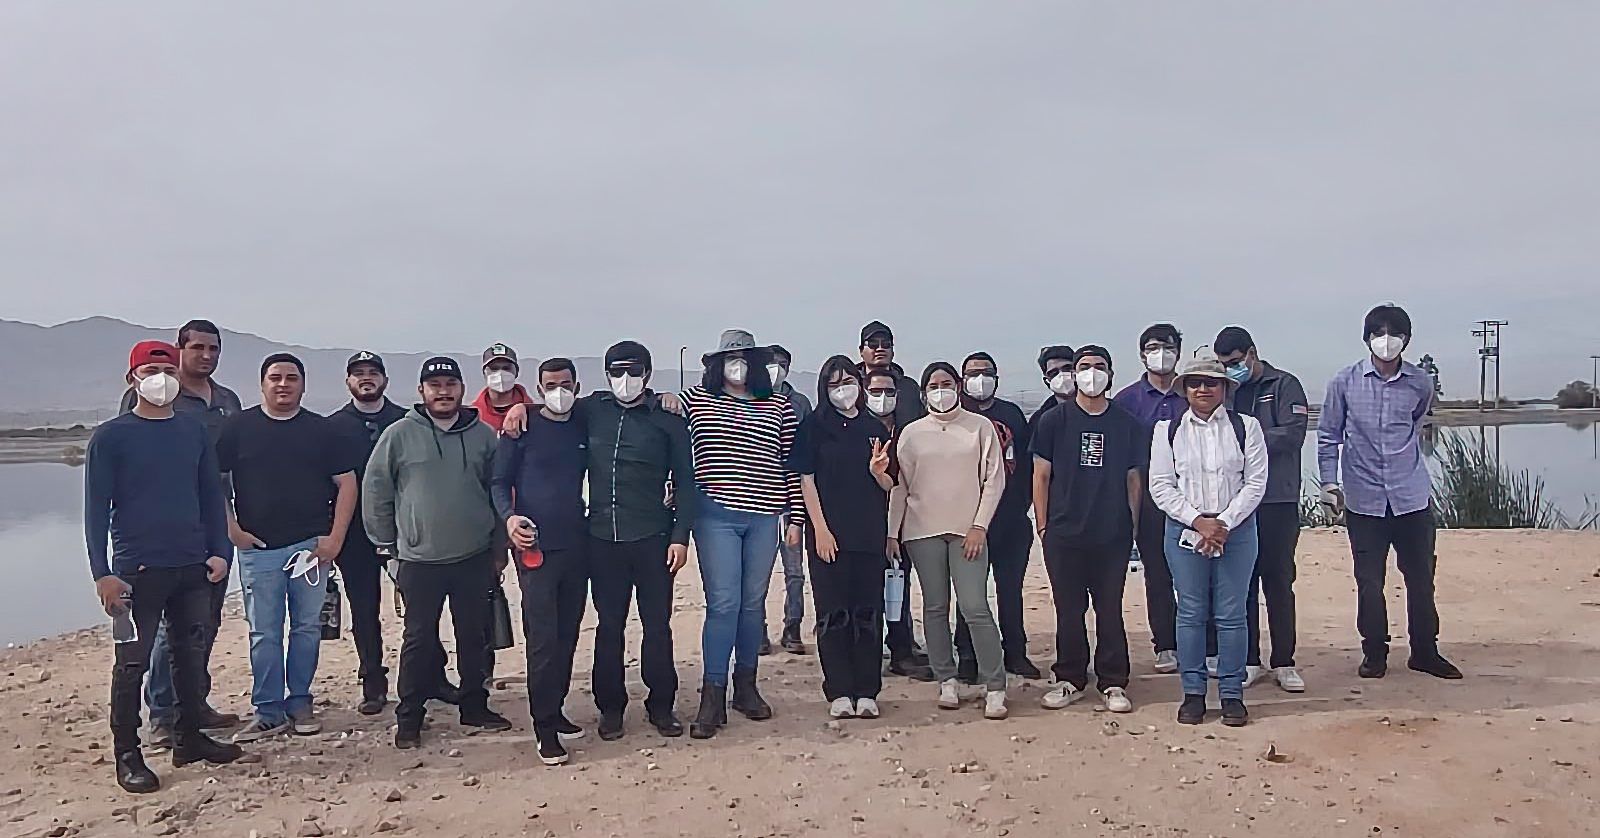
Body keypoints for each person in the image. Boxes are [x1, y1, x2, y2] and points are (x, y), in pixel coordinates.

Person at [500, 342, 695, 742]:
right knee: (610, 626)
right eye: (617, 373)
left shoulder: (667, 419)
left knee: (657, 626)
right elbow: (555, 408)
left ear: (648, 373)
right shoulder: (594, 409)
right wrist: (520, 409)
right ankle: (611, 707)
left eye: (634, 372)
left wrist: (680, 537)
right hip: (602, 539)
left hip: (653, 537)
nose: (625, 381)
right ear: (606, 376)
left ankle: (661, 705)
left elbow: (687, 484)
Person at [86, 341, 243, 793]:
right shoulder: (111, 436)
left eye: (167, 369)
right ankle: (128, 753)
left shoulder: (191, 431)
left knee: (189, 655)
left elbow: (212, 496)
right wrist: (103, 573)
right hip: (137, 568)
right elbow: (95, 510)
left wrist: (219, 551)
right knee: (132, 663)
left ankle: (189, 736)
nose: (161, 377)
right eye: (151, 369)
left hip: (192, 564)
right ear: (133, 377)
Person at [364, 357, 515, 749]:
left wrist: (500, 547)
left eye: (450, 383)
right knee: (418, 640)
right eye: (434, 385)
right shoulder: (398, 435)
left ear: (462, 389)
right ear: (421, 392)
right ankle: (410, 716)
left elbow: (499, 492)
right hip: (418, 560)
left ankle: (474, 707)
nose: (443, 391)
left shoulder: (484, 436)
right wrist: (386, 546)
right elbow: (376, 490)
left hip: (473, 555)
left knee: (474, 637)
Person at [219, 354, 359, 742]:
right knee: (264, 633)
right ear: (262, 383)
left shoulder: (322, 431)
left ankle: (300, 702)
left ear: (303, 384)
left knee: (307, 628)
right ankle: (267, 710)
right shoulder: (237, 429)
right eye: (276, 377)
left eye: (292, 378)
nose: (284, 384)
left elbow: (347, 484)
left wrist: (334, 539)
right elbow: (214, 481)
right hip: (258, 549)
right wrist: (231, 528)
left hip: (309, 550)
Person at [1319, 304, 1462, 681]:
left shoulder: (1420, 383)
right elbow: (1329, 434)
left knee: (1420, 577)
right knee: (1369, 579)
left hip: (1410, 496)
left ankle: (1425, 652)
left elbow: (1417, 423)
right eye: (1378, 333)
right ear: (1366, 339)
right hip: (1364, 499)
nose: (1386, 341)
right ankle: (1374, 653)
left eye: (1394, 333)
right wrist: (1329, 483)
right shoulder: (1344, 382)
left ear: (1407, 340)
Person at [117, 320, 244, 745]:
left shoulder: (226, 400)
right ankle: (162, 714)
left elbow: (231, 464)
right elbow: (129, 460)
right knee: (161, 629)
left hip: (214, 523)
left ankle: (195, 704)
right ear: (179, 350)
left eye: (214, 349)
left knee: (203, 620)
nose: (206, 356)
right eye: (198, 348)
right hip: (163, 530)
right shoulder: (149, 393)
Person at [680, 330, 803, 739]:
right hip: (715, 514)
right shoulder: (695, 399)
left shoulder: (779, 405)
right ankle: (711, 693)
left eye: (745, 357)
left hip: (766, 516)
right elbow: (635, 404)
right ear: (717, 363)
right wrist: (528, 409)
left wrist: (795, 518)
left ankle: (746, 686)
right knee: (724, 602)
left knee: (753, 604)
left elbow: (790, 465)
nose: (738, 364)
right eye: (730, 357)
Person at [327, 351, 459, 715]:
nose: (366, 379)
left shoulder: (406, 420)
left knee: (421, 608)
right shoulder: (334, 426)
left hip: (406, 534)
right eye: (358, 374)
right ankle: (373, 682)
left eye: (373, 373)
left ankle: (433, 676)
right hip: (353, 536)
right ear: (348, 381)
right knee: (364, 609)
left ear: (385, 379)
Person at [1149, 350, 1268, 727]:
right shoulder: (1166, 431)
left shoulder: (1246, 427)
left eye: (1211, 382)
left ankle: (1232, 693)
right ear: (1184, 389)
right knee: (1191, 613)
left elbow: (1255, 483)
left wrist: (1224, 523)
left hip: (1237, 531)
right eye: (1195, 382)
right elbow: (1161, 485)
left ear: (1224, 388)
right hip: (1185, 531)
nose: (1203, 389)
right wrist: (1199, 521)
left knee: (1232, 615)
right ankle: (1193, 693)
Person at [889, 362, 1008, 719]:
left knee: (974, 606)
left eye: (947, 383)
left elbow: (994, 480)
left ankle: (996, 684)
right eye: (933, 385)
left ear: (958, 386)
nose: (941, 390)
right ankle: (946, 679)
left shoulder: (980, 427)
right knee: (935, 607)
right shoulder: (911, 433)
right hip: (922, 531)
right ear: (924, 392)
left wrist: (979, 526)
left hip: (967, 532)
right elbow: (900, 487)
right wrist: (892, 532)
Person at [1031, 345, 1144, 714]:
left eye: (1099, 366)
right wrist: (1044, 525)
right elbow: (1041, 475)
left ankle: (1113, 681)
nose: (1091, 373)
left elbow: (1133, 480)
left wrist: (1134, 528)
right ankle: (1070, 678)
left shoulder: (1125, 423)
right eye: (1084, 366)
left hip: (1111, 533)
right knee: (1069, 608)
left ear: (1110, 374)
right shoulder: (1054, 421)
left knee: (1109, 609)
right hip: (1064, 534)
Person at [492, 358, 591, 766]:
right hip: (534, 547)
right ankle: (543, 727)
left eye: (565, 384)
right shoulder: (522, 429)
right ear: (538, 387)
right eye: (550, 385)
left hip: (577, 544)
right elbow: (499, 482)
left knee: (568, 632)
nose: (559, 391)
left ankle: (557, 708)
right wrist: (510, 518)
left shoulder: (585, 422)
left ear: (577, 386)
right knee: (544, 638)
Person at [790, 356, 896, 719]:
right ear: (825, 388)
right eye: (835, 384)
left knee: (868, 612)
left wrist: (878, 472)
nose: (843, 389)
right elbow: (807, 480)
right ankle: (838, 689)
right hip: (828, 534)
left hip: (868, 533)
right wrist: (818, 528)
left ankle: (867, 690)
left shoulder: (876, 428)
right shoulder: (813, 427)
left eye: (848, 381)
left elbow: (889, 485)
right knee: (833, 613)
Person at [1214, 327, 1310, 693]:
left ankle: (1284, 661)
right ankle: (1250, 660)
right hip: (1238, 505)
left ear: (1252, 353)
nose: (1231, 370)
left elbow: (1293, 434)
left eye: (1235, 363)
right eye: (1225, 366)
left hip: (1278, 500)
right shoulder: (1229, 393)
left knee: (1279, 582)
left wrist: (1249, 437)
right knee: (1243, 585)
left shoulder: (1285, 384)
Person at [954, 352, 1042, 681]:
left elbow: (1027, 464)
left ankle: (1015, 653)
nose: (980, 379)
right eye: (973, 374)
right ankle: (966, 655)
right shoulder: (956, 416)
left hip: (1010, 520)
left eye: (986, 373)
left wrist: (1024, 506)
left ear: (997, 379)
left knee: (1010, 590)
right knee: (970, 592)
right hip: (967, 521)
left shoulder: (1012, 414)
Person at [857, 320, 934, 682]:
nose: (879, 348)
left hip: (903, 499)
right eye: (872, 343)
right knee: (866, 581)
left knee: (898, 577)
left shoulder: (906, 389)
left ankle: (902, 646)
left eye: (885, 342)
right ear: (862, 350)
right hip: (861, 503)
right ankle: (869, 648)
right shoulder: (850, 388)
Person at [1113, 323, 1189, 674]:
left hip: (1193, 499)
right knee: (1158, 574)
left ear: (1179, 350)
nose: (1161, 352)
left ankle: (1205, 643)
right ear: (1142, 354)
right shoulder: (1127, 401)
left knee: (1196, 573)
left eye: (1167, 345)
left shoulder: (1193, 393)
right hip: (1148, 500)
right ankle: (1166, 644)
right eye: (1153, 346)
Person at [765, 344, 814, 656]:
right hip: (760, 501)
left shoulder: (800, 403)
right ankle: (756, 633)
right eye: (771, 363)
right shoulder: (752, 397)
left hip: (792, 499)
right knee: (757, 574)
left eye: (781, 363)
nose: (776, 369)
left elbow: (807, 451)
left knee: (795, 571)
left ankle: (792, 628)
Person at [1027, 345, 1077, 441]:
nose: (1062, 375)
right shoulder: (1039, 420)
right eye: (1054, 373)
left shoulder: (1103, 410)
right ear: (1047, 381)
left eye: (1067, 368)